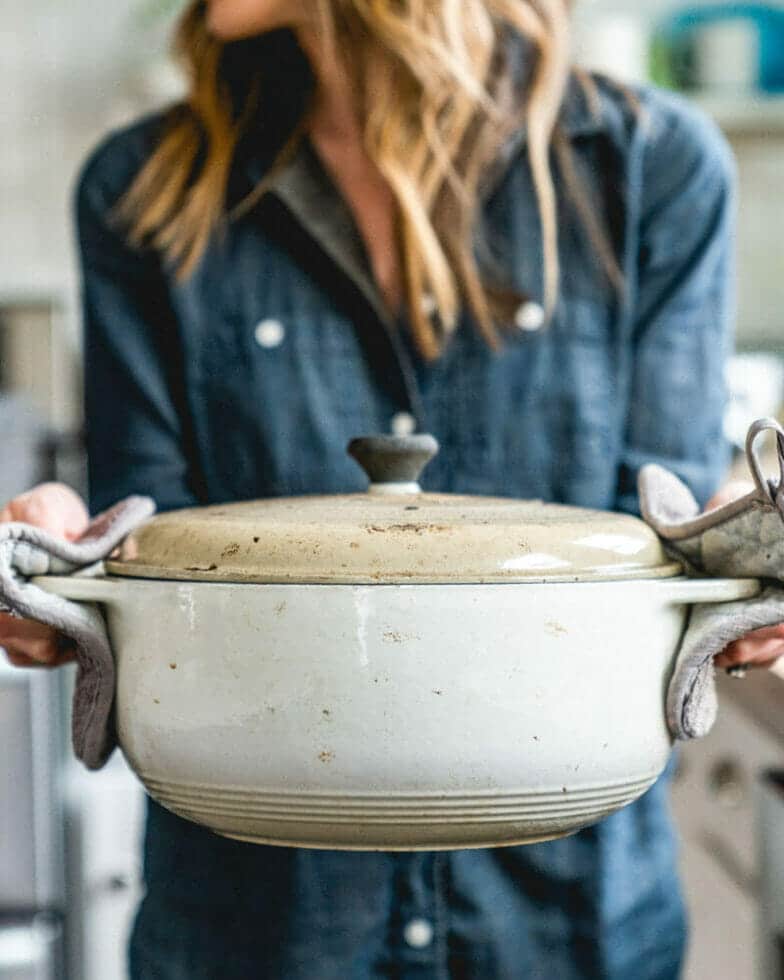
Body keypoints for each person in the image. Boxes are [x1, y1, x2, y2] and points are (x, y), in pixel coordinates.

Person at [3, 1, 784, 976]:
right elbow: (143, 549)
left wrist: (746, 559)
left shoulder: (650, 170)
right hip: (251, 925)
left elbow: (665, 539)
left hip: (563, 922)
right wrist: (59, 562)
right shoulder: (145, 189)